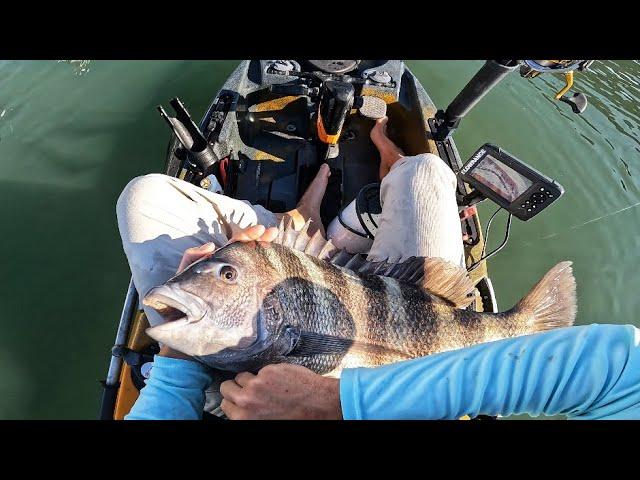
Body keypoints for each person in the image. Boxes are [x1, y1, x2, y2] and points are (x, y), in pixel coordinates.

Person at [118, 118, 640, 420]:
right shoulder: (622, 377)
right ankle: (365, 196)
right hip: (401, 312)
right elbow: (607, 366)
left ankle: (314, 222)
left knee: (143, 197)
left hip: (253, 372)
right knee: (427, 171)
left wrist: (177, 359)